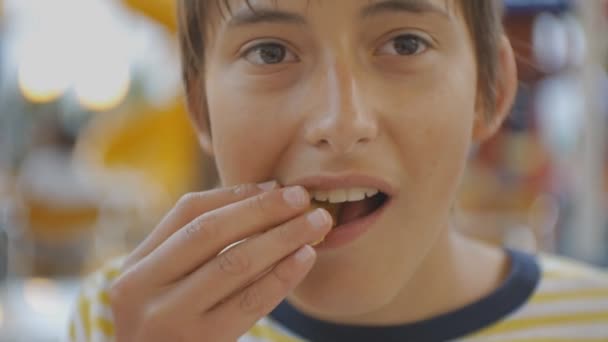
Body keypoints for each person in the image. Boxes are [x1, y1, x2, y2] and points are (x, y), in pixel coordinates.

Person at [69, 1, 608, 341]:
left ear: (490, 94)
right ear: (200, 109)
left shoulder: (595, 321)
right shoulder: (120, 317)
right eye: (270, 51)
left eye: (405, 43)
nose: (340, 122)